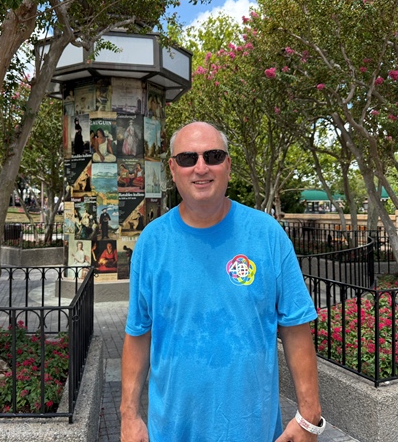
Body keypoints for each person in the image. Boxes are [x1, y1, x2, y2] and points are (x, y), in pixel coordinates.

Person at [121, 122, 323, 442]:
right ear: (172, 169)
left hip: (253, 432)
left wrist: (309, 416)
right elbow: (138, 334)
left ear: (228, 165)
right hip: (172, 432)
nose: (201, 167)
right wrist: (128, 416)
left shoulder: (267, 235)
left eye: (213, 156)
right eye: (188, 158)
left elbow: (296, 328)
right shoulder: (151, 243)